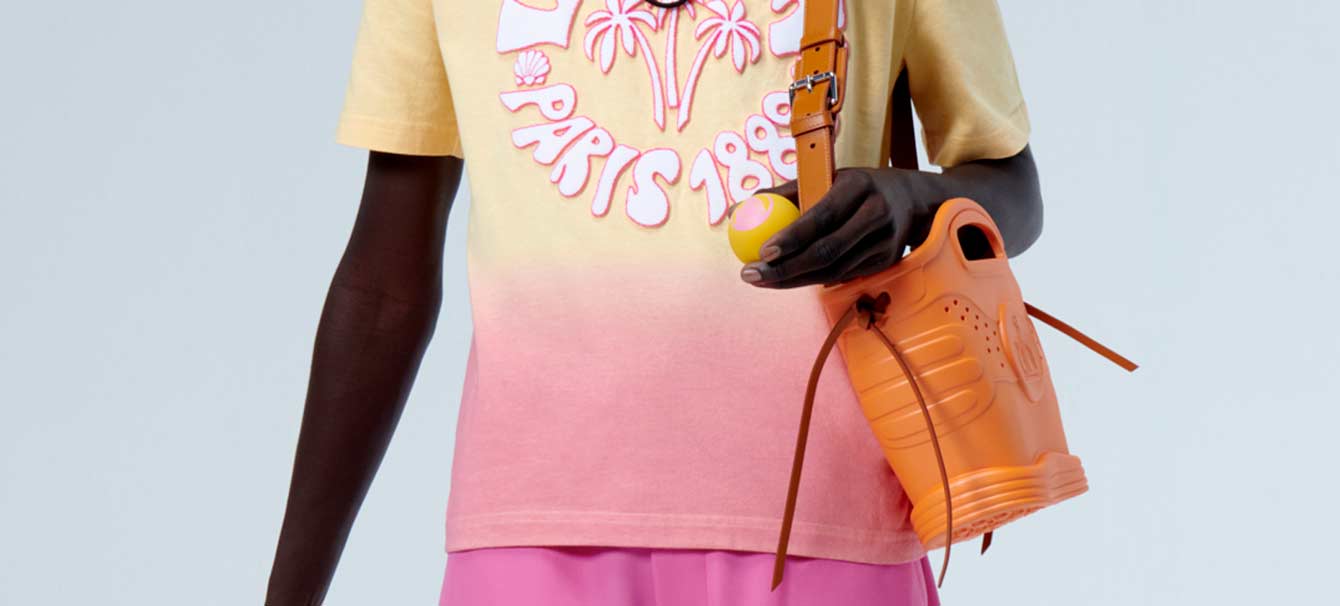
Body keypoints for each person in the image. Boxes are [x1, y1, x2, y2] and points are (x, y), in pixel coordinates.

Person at [266, 0, 1043, 604]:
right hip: (531, 527)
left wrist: (911, 201)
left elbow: (1012, 186)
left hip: (824, 520)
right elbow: (385, 282)